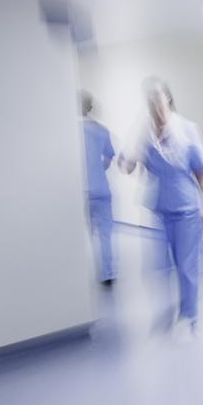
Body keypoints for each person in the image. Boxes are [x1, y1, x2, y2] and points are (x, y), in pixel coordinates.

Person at [118, 77, 203, 341]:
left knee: (186, 267)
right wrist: (134, 145)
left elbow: (202, 172)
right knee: (158, 267)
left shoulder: (186, 130)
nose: (155, 105)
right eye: (149, 101)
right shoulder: (145, 135)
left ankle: (189, 315)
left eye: (158, 99)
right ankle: (169, 309)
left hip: (187, 210)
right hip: (160, 209)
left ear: (168, 99)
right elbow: (127, 167)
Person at [81, 91, 116, 286]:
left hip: (81, 192)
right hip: (101, 189)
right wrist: (97, 168)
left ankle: (84, 275)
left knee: (85, 235)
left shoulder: (69, 131)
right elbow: (108, 159)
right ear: (90, 106)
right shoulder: (102, 130)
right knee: (105, 235)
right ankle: (108, 274)